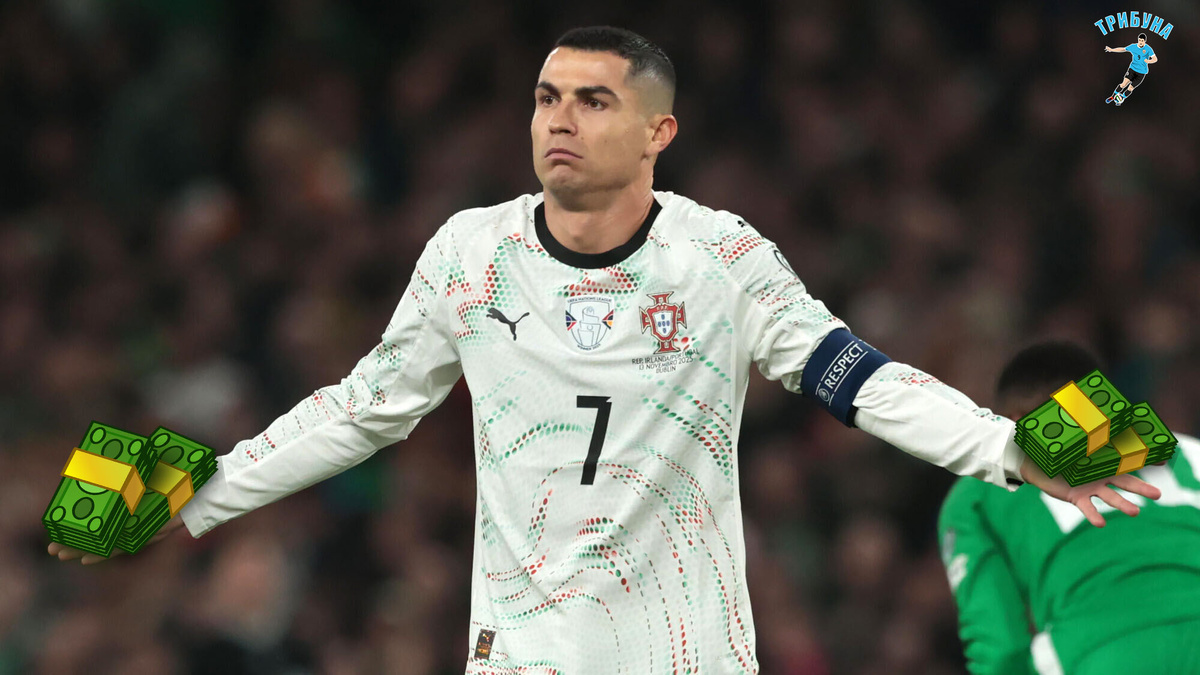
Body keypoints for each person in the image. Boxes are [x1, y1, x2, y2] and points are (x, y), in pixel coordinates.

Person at [50, 27, 1162, 673]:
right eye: (546, 98)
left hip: (685, 654)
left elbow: (857, 377)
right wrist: (197, 498)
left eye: (591, 101)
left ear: (657, 132)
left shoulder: (722, 259)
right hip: (525, 652)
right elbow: (364, 406)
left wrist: (1007, 448)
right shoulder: (471, 254)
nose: (559, 120)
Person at [938, 342, 1200, 675]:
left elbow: (1001, 650)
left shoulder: (980, 488)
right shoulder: (1188, 450)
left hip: (1096, 653)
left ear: (1011, 423)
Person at [1104, 33, 1157, 106]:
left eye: (1142, 41)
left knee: (1130, 88)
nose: (1140, 42)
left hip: (1141, 73)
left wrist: (1148, 61)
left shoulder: (1148, 49)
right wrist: (1111, 50)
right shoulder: (1133, 46)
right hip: (1132, 69)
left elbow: (1155, 59)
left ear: (1145, 41)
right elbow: (1123, 49)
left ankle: (1121, 98)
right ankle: (1112, 97)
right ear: (1138, 40)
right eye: (1139, 40)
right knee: (1123, 84)